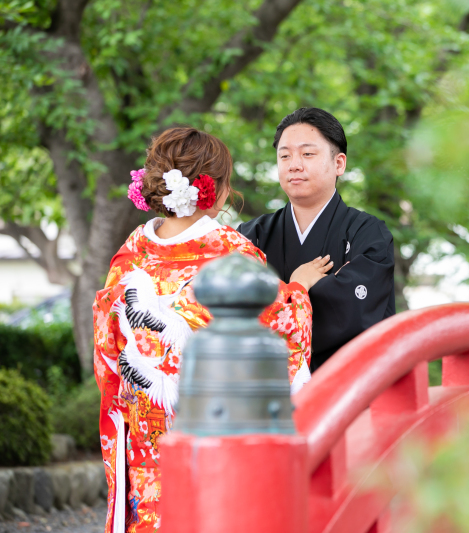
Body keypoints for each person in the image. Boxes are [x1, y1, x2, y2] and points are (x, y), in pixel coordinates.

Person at [93, 127, 332, 533]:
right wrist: (299, 289)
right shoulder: (233, 253)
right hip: (214, 429)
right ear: (217, 190)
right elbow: (279, 325)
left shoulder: (130, 255)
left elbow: (107, 352)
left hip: (144, 432)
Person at [238, 107, 396, 372]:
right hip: (265, 389)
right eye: (285, 155)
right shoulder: (251, 234)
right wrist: (302, 286)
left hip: (343, 389)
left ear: (339, 164)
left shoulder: (368, 233)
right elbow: (232, 311)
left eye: (308, 154)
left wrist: (276, 297)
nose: (294, 164)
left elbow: (356, 315)